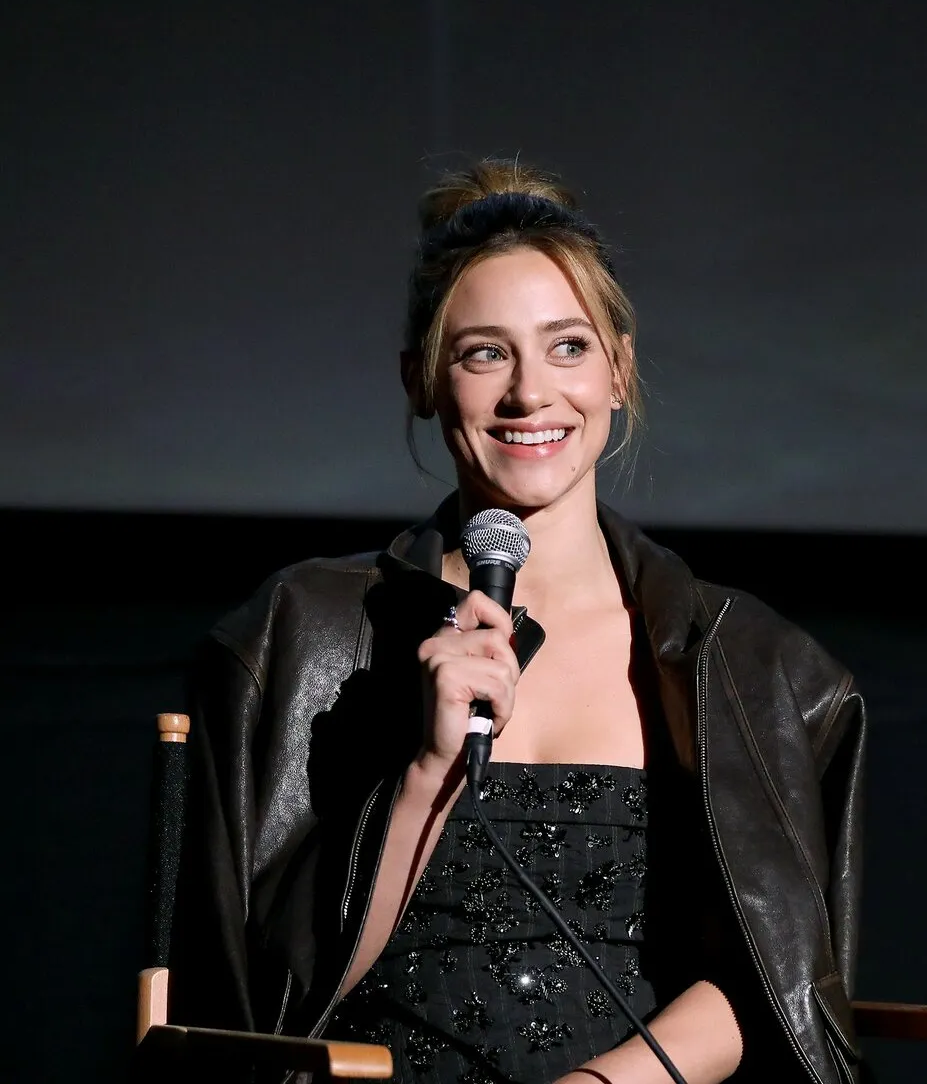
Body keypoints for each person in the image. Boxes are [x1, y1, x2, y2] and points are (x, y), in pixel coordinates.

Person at [170, 161, 868, 1084]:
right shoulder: (300, 635)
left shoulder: (754, 665)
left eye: (568, 347)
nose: (530, 394)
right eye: (484, 354)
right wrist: (427, 772)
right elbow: (264, 999)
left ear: (619, 370)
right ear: (423, 381)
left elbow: (772, 988)